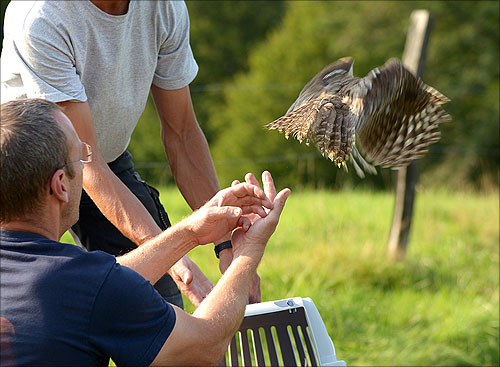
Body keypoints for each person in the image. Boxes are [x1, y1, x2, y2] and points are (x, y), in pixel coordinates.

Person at [0, 0, 258, 308]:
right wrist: (169, 251)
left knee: (159, 305)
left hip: (107, 161)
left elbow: (183, 134)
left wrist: (227, 244)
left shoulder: (165, 8)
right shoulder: (43, 16)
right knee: (33, 310)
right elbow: (86, 158)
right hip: (20, 174)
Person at [0, 98, 290, 366]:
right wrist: (247, 252)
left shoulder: (78, 283)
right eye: (81, 156)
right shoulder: (89, 284)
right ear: (60, 185)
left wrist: (188, 232)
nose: (85, 163)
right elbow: (204, 345)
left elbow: (98, 285)